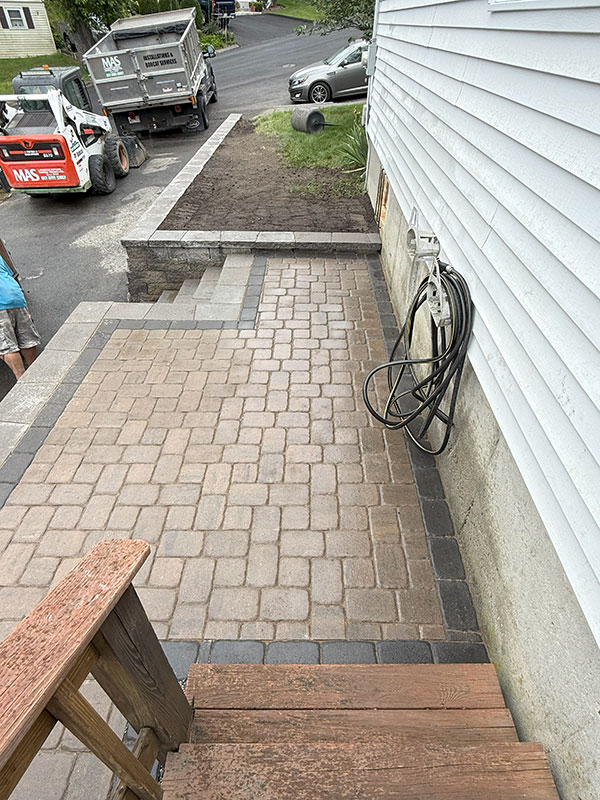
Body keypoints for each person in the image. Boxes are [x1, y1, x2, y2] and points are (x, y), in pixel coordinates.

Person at [0, 249, 40, 380]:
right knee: (27, 340)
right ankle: (36, 374)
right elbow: (9, 274)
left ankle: (22, 379)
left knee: (7, 346)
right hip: (15, 296)